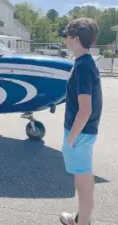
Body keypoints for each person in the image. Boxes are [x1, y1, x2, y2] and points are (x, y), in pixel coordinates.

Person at [59, 18, 103, 225]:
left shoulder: (83, 67)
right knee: (85, 179)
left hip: (80, 134)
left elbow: (85, 110)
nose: (65, 39)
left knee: (83, 184)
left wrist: (71, 138)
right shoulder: (86, 63)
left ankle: (82, 223)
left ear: (76, 38)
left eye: (66, 36)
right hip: (85, 133)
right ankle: (82, 218)